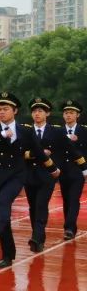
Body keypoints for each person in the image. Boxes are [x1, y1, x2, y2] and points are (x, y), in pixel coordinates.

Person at [0, 92, 59, 267]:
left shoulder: (25, 130)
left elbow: (38, 152)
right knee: (4, 215)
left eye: (5, 109)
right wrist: (0, 136)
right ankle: (8, 254)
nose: (1, 112)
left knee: (3, 203)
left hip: (16, 175)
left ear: (14, 111)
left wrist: (52, 168)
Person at [24, 97, 75, 252]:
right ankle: (37, 235)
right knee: (33, 206)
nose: (37, 114)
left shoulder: (57, 131)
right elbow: (20, 152)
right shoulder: (26, 131)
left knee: (41, 205)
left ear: (47, 113)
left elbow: (68, 150)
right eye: (34, 111)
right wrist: (37, 154)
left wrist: (83, 167)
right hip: (29, 174)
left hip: (47, 175)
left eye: (40, 111)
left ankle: (37, 238)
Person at [57, 100, 86, 240]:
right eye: (66, 113)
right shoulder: (58, 131)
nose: (68, 115)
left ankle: (69, 228)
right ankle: (70, 227)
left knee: (74, 199)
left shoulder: (84, 131)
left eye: (71, 113)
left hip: (77, 171)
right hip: (62, 171)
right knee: (66, 200)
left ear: (77, 115)